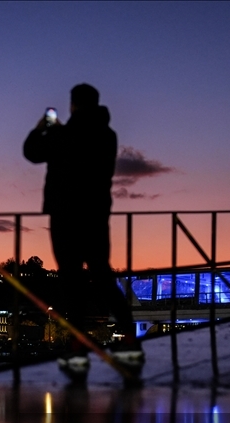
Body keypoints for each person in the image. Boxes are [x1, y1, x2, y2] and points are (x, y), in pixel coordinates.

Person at [24, 83, 142, 382]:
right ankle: (129, 342)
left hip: (65, 215)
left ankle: (76, 352)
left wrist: (43, 128)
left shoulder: (61, 135)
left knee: (71, 282)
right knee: (102, 275)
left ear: (73, 105)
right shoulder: (107, 135)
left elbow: (32, 152)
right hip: (96, 213)